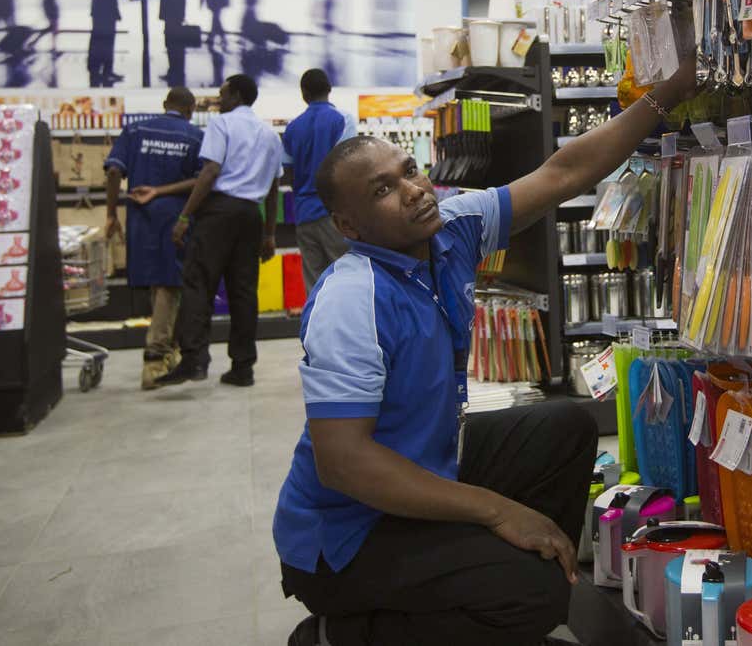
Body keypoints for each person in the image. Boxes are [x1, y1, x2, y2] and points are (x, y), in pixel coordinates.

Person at [274, 56, 696, 645]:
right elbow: (343, 464)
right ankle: (347, 634)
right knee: (538, 592)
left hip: (424, 472)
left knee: (566, 428)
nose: (415, 191)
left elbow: (563, 173)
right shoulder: (352, 300)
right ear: (348, 224)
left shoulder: (450, 229)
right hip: (346, 534)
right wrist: (495, 511)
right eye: (384, 191)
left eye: (409, 171)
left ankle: (480, 591)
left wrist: (668, 93)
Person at [156, 74, 284, 388]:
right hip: (250, 216)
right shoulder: (270, 134)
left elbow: (210, 171)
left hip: (219, 213)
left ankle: (194, 360)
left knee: (199, 283)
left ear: (237, 95)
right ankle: (242, 367)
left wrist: (185, 216)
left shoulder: (222, 124)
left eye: (223, 93)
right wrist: (269, 234)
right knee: (243, 292)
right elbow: (273, 187)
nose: (219, 98)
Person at [104, 87, 204, 389]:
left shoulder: (135, 130)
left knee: (156, 284)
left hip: (139, 218)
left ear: (165, 105)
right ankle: (156, 360)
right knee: (169, 285)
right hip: (176, 219)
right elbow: (202, 179)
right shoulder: (194, 135)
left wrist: (111, 213)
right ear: (190, 109)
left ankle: (165, 348)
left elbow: (113, 171)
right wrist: (164, 193)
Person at [281, 69, 355, 291]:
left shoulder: (292, 128)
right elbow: (349, 166)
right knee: (345, 275)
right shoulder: (343, 120)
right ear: (330, 89)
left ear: (304, 93)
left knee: (314, 282)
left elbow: (289, 172)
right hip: (334, 214)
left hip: (304, 213)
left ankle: (316, 325)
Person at [133, 0, 190, 87]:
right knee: (171, 46)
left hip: (174, 19)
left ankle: (177, 74)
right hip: (170, 18)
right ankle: (173, 72)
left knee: (175, 46)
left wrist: (179, 17)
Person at [200, 0, 230, 83]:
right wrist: (201, 2)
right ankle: (218, 37)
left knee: (216, 18)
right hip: (211, 1)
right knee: (216, 19)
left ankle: (214, 37)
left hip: (219, 1)